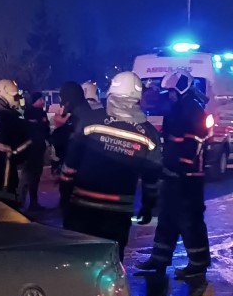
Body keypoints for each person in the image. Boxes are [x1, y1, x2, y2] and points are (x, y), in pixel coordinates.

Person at [61, 72, 161, 256]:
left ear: (110, 93)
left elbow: (70, 164)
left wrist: (65, 195)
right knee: (111, 262)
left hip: (81, 208)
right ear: (138, 98)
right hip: (118, 214)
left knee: (76, 260)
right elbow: (152, 178)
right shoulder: (150, 134)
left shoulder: (89, 121)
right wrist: (148, 206)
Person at [135, 72, 213, 279]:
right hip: (173, 174)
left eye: (171, 91)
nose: (168, 95)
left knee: (190, 220)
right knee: (167, 217)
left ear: (180, 90)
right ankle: (159, 258)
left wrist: (180, 168)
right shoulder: (179, 109)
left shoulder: (192, 112)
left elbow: (192, 145)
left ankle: (198, 264)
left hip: (188, 178)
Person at [52, 81, 88, 195]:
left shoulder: (76, 117)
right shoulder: (87, 112)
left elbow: (61, 146)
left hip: (74, 174)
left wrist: (58, 128)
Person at [20, 91, 50, 210]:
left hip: (39, 148)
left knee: (36, 177)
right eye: (40, 99)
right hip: (30, 150)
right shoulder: (29, 113)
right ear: (35, 101)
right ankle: (21, 202)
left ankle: (33, 203)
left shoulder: (42, 113)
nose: (42, 101)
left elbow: (46, 129)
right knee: (28, 176)